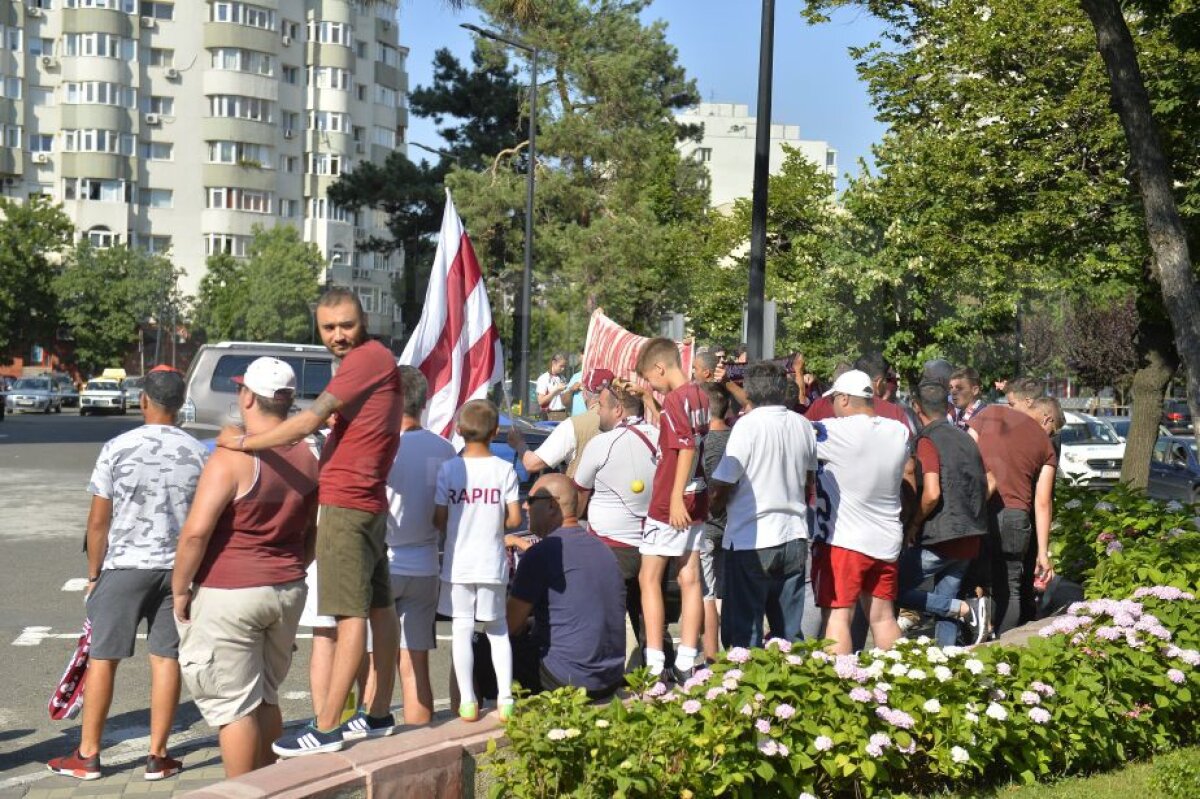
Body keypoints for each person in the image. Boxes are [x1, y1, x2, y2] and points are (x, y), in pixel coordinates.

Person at [218, 287, 401, 757]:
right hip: (369, 501)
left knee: (348, 615)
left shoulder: (364, 359)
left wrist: (243, 444)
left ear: (364, 321)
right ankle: (378, 712)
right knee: (380, 608)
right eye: (329, 327)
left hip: (347, 503)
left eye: (346, 325)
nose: (338, 335)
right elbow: (336, 420)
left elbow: (307, 421)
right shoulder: (375, 360)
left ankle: (327, 727)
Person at [49, 367, 207, 782]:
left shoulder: (117, 448)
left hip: (124, 566)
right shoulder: (199, 452)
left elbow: (98, 522)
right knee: (166, 658)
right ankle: (158, 756)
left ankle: (88, 755)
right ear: (181, 405)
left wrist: (93, 574)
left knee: (103, 659)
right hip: (176, 570)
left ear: (143, 401)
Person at [171, 358, 319, 777]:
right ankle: (272, 785)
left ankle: (242, 790)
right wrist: (295, 568)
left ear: (249, 397)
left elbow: (196, 534)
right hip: (287, 586)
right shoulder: (308, 455)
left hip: (230, 590)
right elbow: (312, 530)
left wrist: (180, 588)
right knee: (267, 697)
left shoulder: (230, 460)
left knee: (235, 707)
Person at [710, 363, 817, 649]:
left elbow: (724, 480)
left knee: (745, 637)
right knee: (789, 636)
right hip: (794, 535)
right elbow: (809, 480)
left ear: (749, 391)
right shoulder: (802, 424)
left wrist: (714, 507)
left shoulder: (748, 425)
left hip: (751, 538)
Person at [811, 369, 915, 655]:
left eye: (833, 399)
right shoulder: (898, 431)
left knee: (837, 617)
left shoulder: (833, 431)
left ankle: (840, 680)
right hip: (886, 538)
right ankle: (902, 675)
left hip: (843, 540)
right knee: (883, 618)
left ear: (844, 398)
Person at [433, 399, 522, 722]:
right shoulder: (504, 469)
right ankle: (506, 699)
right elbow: (515, 519)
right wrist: (495, 522)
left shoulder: (449, 469)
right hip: (492, 561)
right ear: (495, 432)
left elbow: (438, 519)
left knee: (462, 628)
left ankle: (468, 701)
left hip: (458, 562)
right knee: (497, 629)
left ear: (459, 430)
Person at [508, 475, 627, 698]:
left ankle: (471, 716)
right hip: (610, 677)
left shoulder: (540, 554)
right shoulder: (603, 549)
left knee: (473, 648)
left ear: (551, 506)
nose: (525, 506)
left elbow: (509, 625)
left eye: (531, 500)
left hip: (567, 679)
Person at [384, 366, 456, 726]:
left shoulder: (384, 448)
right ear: (423, 402)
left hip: (386, 561)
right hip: (426, 563)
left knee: (376, 663)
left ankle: (373, 740)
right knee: (416, 663)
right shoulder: (445, 449)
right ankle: (420, 736)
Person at [636, 337, 710, 681]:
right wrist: (649, 400)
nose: (652, 385)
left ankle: (654, 663)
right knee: (690, 577)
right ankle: (687, 660)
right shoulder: (698, 395)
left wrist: (676, 496)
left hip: (671, 499)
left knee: (648, 577)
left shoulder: (677, 399)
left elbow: (686, 446)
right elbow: (678, 429)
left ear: (660, 367)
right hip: (699, 494)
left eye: (650, 378)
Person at [570, 378, 659, 661]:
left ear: (618, 409)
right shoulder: (660, 436)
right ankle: (660, 667)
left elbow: (579, 493)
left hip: (611, 546)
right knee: (649, 615)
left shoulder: (602, 443)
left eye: (601, 406)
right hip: (655, 544)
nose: (597, 411)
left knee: (607, 616)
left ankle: (606, 670)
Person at [898, 381, 991, 647]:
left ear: (916, 408)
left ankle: (965, 609)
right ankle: (947, 657)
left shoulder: (928, 440)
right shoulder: (966, 437)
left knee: (887, 589)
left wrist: (914, 524)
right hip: (971, 535)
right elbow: (988, 481)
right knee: (945, 603)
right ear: (948, 407)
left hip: (940, 538)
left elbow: (931, 493)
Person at [968, 390, 1061, 634]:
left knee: (967, 578)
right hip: (1015, 518)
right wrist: (1043, 553)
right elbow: (1043, 502)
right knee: (1010, 588)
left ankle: (967, 638)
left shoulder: (990, 413)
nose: (1051, 435)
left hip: (977, 510)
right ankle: (1001, 644)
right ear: (1047, 419)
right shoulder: (1045, 444)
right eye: (1053, 430)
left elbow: (966, 453)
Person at [508, 369, 608, 479]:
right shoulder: (621, 420)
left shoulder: (572, 426)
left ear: (584, 394)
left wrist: (519, 444)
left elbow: (532, 464)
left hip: (581, 489)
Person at [698, 383, 732, 660]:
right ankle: (732, 653)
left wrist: (709, 507)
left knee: (707, 596)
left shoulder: (703, 442)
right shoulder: (736, 438)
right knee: (727, 593)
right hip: (733, 528)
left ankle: (711, 660)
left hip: (707, 527)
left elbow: (714, 489)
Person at [535, 353, 573, 421]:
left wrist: (570, 391)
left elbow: (565, 401)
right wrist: (556, 390)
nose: (563, 369)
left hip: (563, 412)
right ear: (554, 363)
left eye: (564, 366)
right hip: (549, 414)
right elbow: (541, 401)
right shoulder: (544, 378)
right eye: (561, 366)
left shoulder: (562, 378)